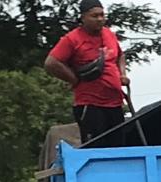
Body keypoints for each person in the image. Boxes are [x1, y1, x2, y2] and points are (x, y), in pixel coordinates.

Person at [45, 0, 128, 145]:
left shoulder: (109, 34)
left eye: (102, 15)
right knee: (96, 148)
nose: (100, 19)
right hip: (90, 105)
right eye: (94, 16)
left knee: (117, 149)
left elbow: (120, 55)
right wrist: (73, 79)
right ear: (83, 18)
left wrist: (123, 74)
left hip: (115, 103)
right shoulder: (72, 39)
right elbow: (51, 63)